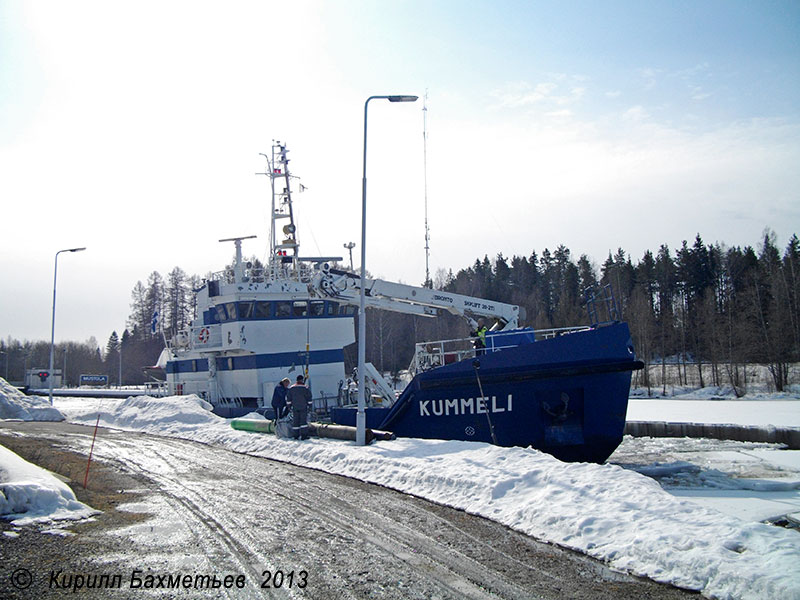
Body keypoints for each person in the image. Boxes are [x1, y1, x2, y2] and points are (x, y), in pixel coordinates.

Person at [287, 375, 312, 439]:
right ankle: (304, 435)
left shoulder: (292, 388)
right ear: (302, 380)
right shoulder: (305, 388)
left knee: (296, 421)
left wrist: (289, 407)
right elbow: (309, 398)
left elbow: (289, 399)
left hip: (295, 407)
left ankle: (296, 435)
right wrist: (310, 406)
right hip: (303, 407)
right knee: (303, 422)